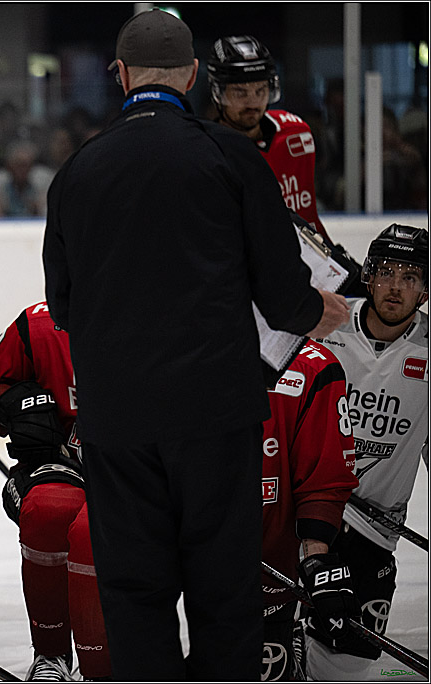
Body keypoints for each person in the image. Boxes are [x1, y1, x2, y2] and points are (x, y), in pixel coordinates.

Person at [41, 9, 349, 680]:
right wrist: (313, 312)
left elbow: (62, 308)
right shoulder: (232, 154)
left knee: (135, 588)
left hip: (119, 418)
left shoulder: (79, 169)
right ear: (191, 75)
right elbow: (283, 292)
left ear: (120, 75)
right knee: (223, 585)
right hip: (216, 410)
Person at [0, 301, 110, 681]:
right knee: (46, 510)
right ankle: (51, 655)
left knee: (92, 534)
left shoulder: (171, 317)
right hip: (68, 463)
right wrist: (15, 405)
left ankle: (100, 670)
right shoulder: (41, 323)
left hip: (146, 470)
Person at [306, 224, 429, 680]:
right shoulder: (325, 325)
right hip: (302, 517)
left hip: (374, 533)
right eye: (387, 272)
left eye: (411, 276)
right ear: (369, 276)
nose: (396, 286)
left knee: (345, 673)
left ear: (425, 290)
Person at [259, 341, 359, 681]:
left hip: (268, 568)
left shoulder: (314, 366)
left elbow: (324, 475)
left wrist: (316, 557)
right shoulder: (172, 343)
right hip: (183, 557)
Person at [207, 36, 331, 241]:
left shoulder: (295, 134)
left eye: (260, 90)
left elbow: (308, 218)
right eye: (240, 93)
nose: (253, 103)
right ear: (218, 93)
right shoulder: (207, 151)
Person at [0, 140, 55, 218]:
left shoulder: (45, 181)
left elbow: (48, 214)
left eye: (26, 165)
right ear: (9, 166)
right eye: (18, 164)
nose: (22, 169)